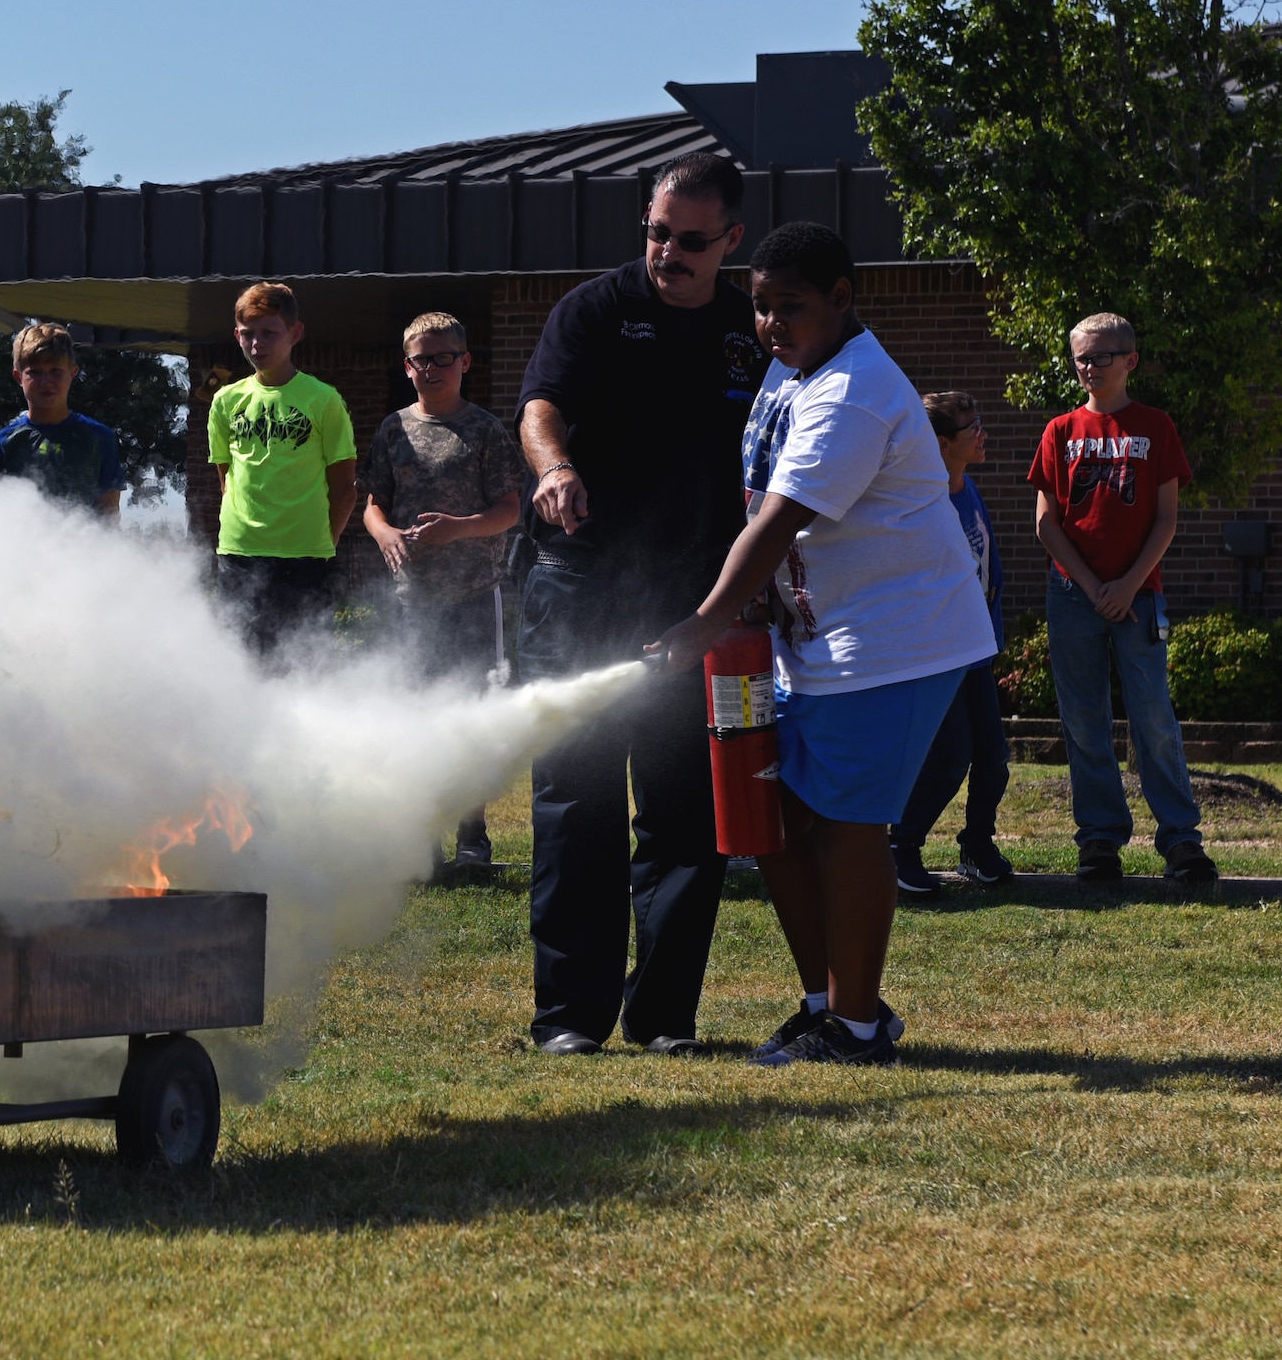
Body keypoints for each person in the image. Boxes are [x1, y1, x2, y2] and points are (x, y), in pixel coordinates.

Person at [647, 221, 997, 1066]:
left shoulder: (853, 392)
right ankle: (826, 1004)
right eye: (761, 308)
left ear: (843, 299)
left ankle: (860, 1024)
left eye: (790, 308)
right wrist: (760, 612)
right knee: (780, 819)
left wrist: (706, 619)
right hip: (819, 639)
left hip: (892, 639)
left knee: (844, 825)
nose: (770, 325)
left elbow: (778, 520)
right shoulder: (792, 370)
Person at [515, 152, 768, 1057]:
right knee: (577, 799)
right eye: (657, 233)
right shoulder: (595, 310)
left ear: (730, 240)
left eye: (692, 241)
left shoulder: (751, 329)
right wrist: (556, 468)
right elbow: (540, 406)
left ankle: (664, 1019)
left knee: (685, 811)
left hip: (694, 603)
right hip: (581, 591)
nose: (669, 253)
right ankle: (569, 1020)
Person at [1028, 313, 1216, 884]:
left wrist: (1128, 585)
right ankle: (1100, 841)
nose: (1089, 368)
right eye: (1080, 358)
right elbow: (1046, 524)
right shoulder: (1060, 430)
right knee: (1083, 721)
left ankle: (1181, 842)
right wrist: (1092, 588)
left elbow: (1166, 520)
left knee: (1153, 717)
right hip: (1072, 595)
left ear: (1130, 360)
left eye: (1101, 357)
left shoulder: (1156, 427)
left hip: (1140, 596)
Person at [362, 312, 526, 867]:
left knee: (473, 714)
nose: (430, 368)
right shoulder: (392, 430)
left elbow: (510, 509)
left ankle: (472, 836)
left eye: (442, 358)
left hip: (476, 595)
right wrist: (385, 535)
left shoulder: (485, 430)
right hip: (415, 600)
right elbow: (372, 505)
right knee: (418, 714)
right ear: (406, 367)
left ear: (465, 362)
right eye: (419, 360)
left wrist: (458, 527)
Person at [890, 391, 1015, 893]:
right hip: (937, 652)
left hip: (975, 650)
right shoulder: (922, 500)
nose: (982, 433)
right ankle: (900, 848)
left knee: (993, 758)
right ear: (941, 443)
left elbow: (987, 574)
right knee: (949, 754)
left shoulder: (968, 489)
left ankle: (977, 848)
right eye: (971, 428)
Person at [207, 283, 358, 661]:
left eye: (269, 333)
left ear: (295, 333)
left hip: (304, 559)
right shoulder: (225, 401)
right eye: (248, 334)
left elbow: (344, 488)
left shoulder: (324, 400)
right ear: (237, 335)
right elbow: (226, 480)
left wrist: (322, 543)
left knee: (304, 668)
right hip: (239, 555)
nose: (257, 344)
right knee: (238, 667)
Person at [0, 323, 126, 519]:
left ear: (73, 373)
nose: (46, 381)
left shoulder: (100, 438)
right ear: (18, 377)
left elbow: (109, 514)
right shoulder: (1, 444)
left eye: (55, 371)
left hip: (85, 547)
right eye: (34, 372)